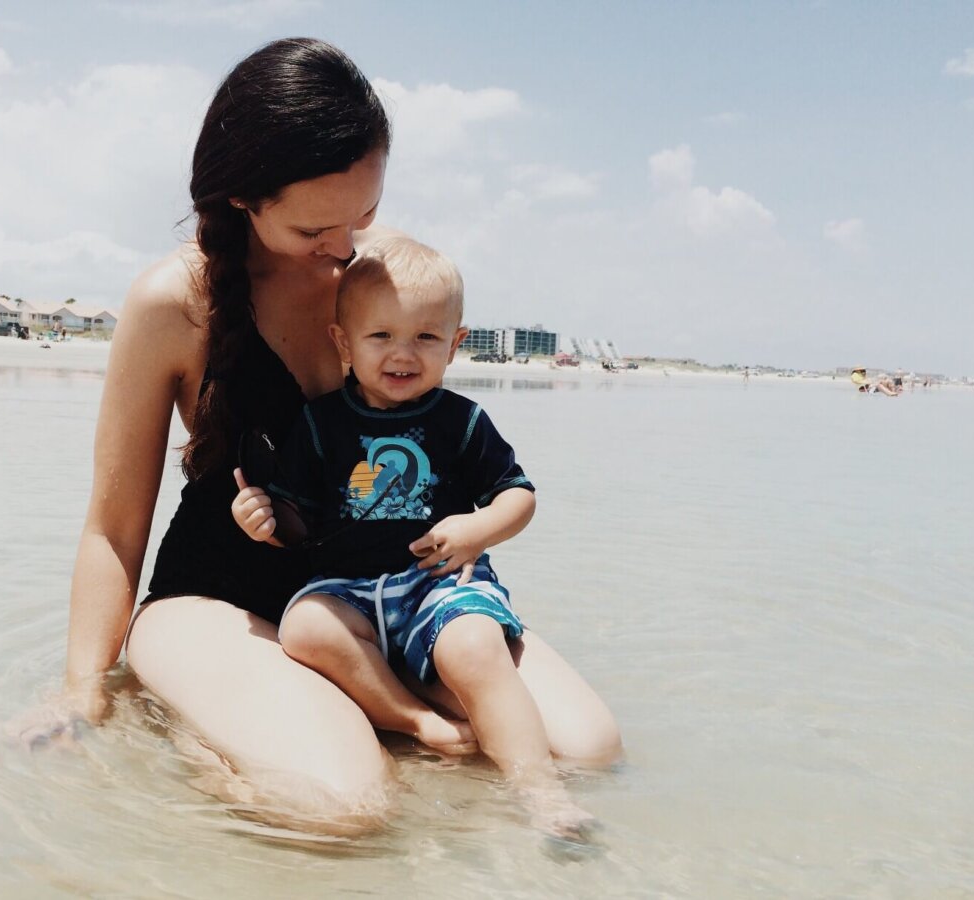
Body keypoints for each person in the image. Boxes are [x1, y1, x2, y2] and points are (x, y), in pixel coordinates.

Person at [53, 37, 620, 834]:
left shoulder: (375, 280)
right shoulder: (174, 302)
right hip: (222, 597)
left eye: (367, 214)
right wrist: (83, 688)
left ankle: (362, 717)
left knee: (588, 750)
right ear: (244, 196)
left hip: (388, 596)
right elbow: (113, 529)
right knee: (345, 813)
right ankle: (194, 736)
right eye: (318, 226)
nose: (347, 247)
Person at [231, 238, 595, 830]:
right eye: (381, 336)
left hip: (438, 584)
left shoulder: (462, 420)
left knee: (476, 647)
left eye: (426, 337)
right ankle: (412, 719)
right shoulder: (320, 424)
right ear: (343, 342)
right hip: (350, 588)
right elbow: (298, 525)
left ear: (455, 344)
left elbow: (519, 496)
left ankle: (542, 793)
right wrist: (263, 521)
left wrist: (479, 527)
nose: (403, 354)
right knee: (304, 626)